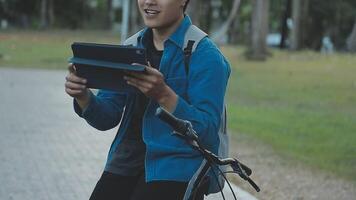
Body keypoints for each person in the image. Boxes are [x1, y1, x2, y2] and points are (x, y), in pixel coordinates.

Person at [65, 0, 230, 199]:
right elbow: (106, 118)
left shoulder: (205, 55)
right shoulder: (129, 48)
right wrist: (83, 96)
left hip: (176, 168)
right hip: (124, 162)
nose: (149, 1)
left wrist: (164, 95)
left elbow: (207, 131)